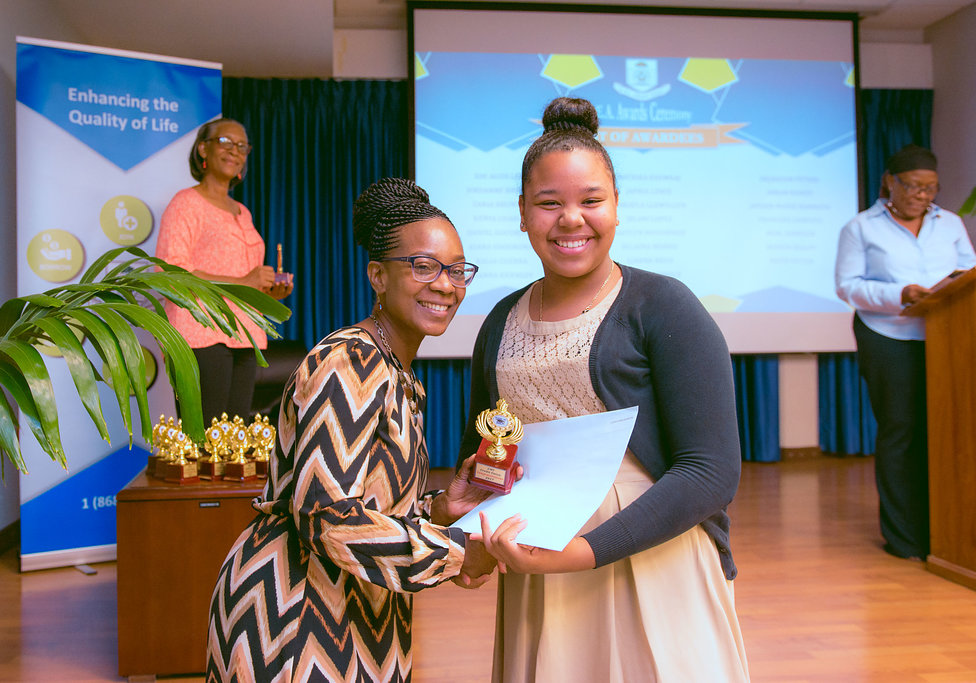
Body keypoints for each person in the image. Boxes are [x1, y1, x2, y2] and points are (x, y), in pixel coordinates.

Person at [460, 97, 750, 682]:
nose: (571, 219)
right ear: (522, 212)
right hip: (538, 559)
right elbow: (491, 448)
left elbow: (711, 472)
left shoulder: (664, 305)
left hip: (650, 553)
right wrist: (476, 539)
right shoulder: (499, 320)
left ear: (617, 206)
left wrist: (584, 553)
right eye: (549, 203)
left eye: (591, 201)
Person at [206, 177, 500, 682]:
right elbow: (326, 515)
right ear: (377, 276)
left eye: (457, 270)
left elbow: (367, 504)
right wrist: (455, 553)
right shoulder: (352, 361)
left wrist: (439, 509)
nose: (446, 285)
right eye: (424, 266)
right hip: (297, 615)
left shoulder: (397, 371)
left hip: (359, 607)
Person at [835, 144, 976, 561]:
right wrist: (901, 294)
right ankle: (904, 537)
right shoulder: (861, 227)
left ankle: (943, 532)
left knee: (946, 431)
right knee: (900, 431)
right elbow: (847, 286)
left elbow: (969, 273)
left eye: (930, 188)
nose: (922, 195)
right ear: (890, 182)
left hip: (946, 338)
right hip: (887, 336)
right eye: (914, 186)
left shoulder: (950, 223)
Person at [155, 117, 293, 423]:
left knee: (234, 438)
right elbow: (171, 272)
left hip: (244, 334)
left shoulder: (243, 212)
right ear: (203, 149)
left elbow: (246, 282)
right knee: (206, 438)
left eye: (242, 146)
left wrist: (268, 293)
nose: (235, 151)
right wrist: (243, 281)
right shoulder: (186, 203)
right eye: (226, 142)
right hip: (200, 332)